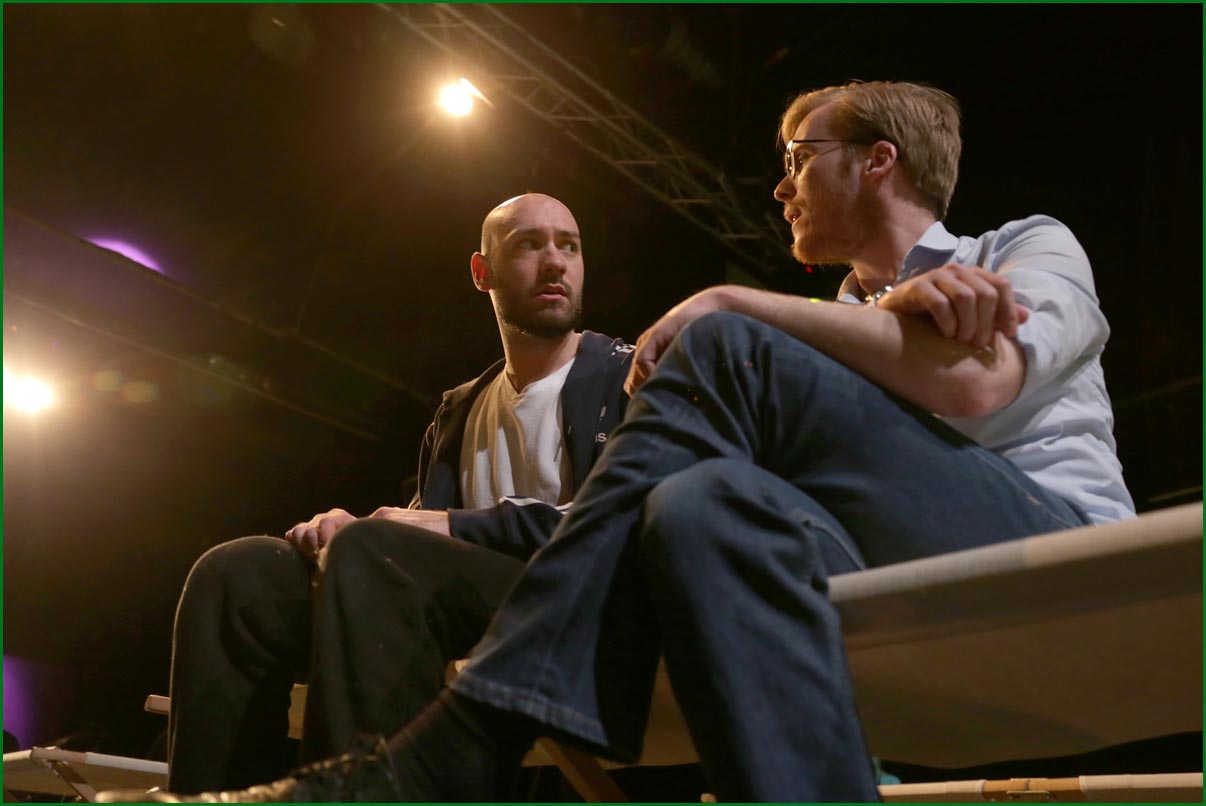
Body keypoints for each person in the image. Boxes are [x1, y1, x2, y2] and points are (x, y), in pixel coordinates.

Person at [110, 81, 1134, 803]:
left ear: (878, 160)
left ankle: (464, 736)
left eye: (796, 157)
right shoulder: (835, 323)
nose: (780, 186)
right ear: (483, 272)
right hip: (860, 560)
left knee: (729, 343)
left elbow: (979, 380)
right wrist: (877, 315)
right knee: (695, 505)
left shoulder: (1021, 245)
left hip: (1043, 540)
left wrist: (737, 301)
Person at [161, 193, 633, 794]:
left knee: (376, 552)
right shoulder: (461, 409)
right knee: (239, 575)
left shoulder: (628, 374)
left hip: (579, 613)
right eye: (529, 244)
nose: (555, 262)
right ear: (482, 272)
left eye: (569, 246)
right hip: (464, 610)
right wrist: (350, 528)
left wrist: (440, 528)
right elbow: (417, 534)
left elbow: (625, 520)